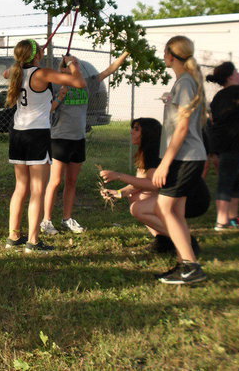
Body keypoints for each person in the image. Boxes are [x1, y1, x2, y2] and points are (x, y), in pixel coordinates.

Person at [4, 39, 85, 253]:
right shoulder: (41, 74)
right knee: (37, 190)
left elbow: (7, 72)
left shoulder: (16, 72)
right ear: (36, 54)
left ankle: (13, 236)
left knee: (21, 187)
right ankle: (33, 240)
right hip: (37, 135)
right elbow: (79, 82)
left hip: (18, 134)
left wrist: (29, 59)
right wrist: (72, 63)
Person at [41, 51, 130, 236]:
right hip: (59, 138)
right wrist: (60, 96)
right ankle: (46, 221)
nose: (77, 66)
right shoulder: (56, 84)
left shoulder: (86, 83)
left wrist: (127, 52)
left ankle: (67, 219)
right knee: (55, 181)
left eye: (77, 63)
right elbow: (47, 108)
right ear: (63, 68)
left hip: (78, 139)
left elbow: (110, 70)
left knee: (72, 181)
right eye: (73, 63)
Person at [150, 36, 209, 284]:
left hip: (184, 158)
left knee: (163, 208)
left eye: (165, 53)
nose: (163, 57)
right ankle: (185, 263)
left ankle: (191, 266)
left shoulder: (185, 82)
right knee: (176, 211)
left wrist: (165, 163)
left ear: (171, 55)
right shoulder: (184, 82)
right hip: (186, 157)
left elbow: (182, 129)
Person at [99, 118, 205, 255]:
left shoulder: (153, 151)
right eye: (132, 128)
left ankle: (186, 242)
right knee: (136, 197)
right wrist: (119, 192)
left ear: (148, 133)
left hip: (193, 199)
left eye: (136, 129)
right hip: (180, 195)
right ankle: (163, 241)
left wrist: (118, 175)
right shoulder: (148, 150)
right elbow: (140, 183)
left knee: (138, 208)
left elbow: (153, 185)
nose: (131, 132)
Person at [205, 61, 239, 230]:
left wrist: (213, 151)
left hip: (225, 146)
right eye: (238, 72)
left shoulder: (219, 97)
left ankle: (233, 218)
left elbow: (213, 123)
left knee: (238, 180)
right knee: (226, 181)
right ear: (231, 75)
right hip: (231, 145)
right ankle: (221, 221)